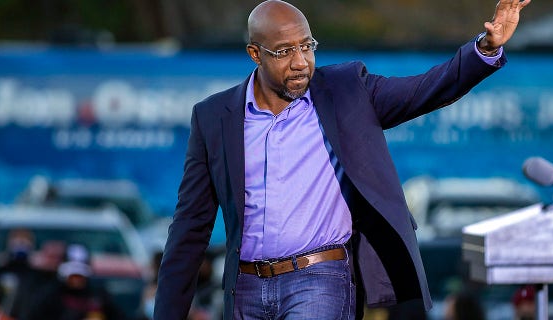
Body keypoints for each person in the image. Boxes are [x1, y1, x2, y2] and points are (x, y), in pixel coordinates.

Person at [154, 0, 531, 319]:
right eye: (285, 52)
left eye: (307, 46)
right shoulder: (213, 117)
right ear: (255, 54)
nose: (301, 62)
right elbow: (190, 225)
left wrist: (485, 46)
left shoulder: (347, 90)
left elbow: (425, 89)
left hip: (320, 278)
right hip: (246, 287)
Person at [24, 243, 126, 320]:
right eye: (73, 275)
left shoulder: (98, 296)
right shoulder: (50, 295)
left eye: (80, 275)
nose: (76, 279)